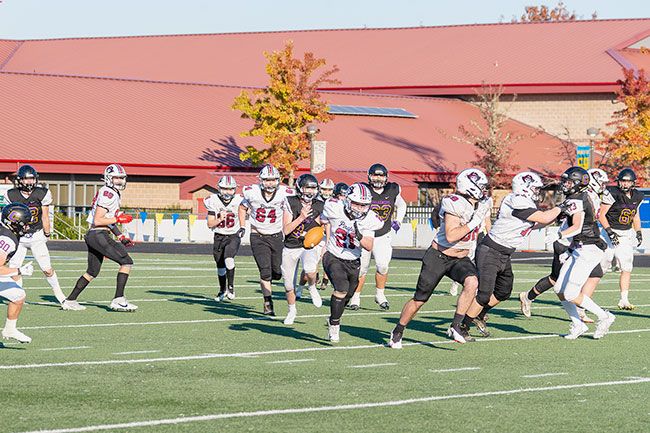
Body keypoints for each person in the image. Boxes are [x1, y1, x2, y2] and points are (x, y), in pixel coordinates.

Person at [388, 168, 491, 347]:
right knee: (419, 300)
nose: (484, 190)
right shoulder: (454, 202)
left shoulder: (481, 204)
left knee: (472, 282)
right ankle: (398, 330)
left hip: (460, 258)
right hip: (438, 256)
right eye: (480, 186)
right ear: (470, 186)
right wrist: (474, 222)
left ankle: (455, 326)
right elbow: (451, 236)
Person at [461, 172, 565, 337]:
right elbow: (544, 218)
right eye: (535, 188)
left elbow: (536, 224)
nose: (538, 192)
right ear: (525, 188)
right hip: (491, 250)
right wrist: (563, 206)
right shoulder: (516, 200)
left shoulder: (524, 202)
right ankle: (462, 327)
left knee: (503, 291)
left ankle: (479, 314)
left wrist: (557, 215)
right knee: (484, 293)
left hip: (503, 253)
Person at [519, 168, 610, 322]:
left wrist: (596, 237)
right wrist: (530, 228)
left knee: (594, 275)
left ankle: (580, 309)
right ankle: (529, 296)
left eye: (568, 182)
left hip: (582, 244)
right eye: (600, 183)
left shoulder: (588, 197)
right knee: (557, 280)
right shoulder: (577, 198)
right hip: (567, 243)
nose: (603, 186)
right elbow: (566, 222)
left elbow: (589, 222)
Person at [550, 167, 614, 340]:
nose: (565, 184)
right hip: (579, 247)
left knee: (571, 293)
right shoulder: (578, 196)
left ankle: (605, 316)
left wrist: (560, 235)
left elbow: (577, 226)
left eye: (569, 181)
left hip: (589, 249)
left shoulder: (578, 199)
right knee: (559, 289)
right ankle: (578, 324)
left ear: (578, 183)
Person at [62, 164, 137, 312]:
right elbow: (98, 220)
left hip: (95, 234)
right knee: (126, 262)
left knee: (92, 272)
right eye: (116, 178)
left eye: (121, 178)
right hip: (98, 233)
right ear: (108, 178)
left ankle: (70, 300)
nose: (120, 181)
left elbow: (107, 219)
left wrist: (120, 236)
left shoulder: (109, 192)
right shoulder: (108, 193)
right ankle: (119, 299)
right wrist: (118, 219)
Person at [320, 183, 383, 342]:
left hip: (353, 260)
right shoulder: (334, 207)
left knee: (348, 294)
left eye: (363, 205)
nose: (360, 208)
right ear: (348, 200)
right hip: (333, 255)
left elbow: (369, 246)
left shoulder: (369, 219)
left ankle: (333, 317)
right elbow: (322, 218)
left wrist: (359, 234)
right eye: (356, 204)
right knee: (340, 289)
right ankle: (334, 325)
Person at [3, 165, 66, 305]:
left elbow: (45, 216)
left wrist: (47, 233)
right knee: (15, 268)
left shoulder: (42, 193)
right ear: (20, 180)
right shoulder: (11, 194)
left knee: (47, 269)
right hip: (18, 237)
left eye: (31, 178)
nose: (29, 182)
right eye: (26, 179)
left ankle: (60, 296)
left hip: (36, 234)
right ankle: (18, 296)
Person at [348, 163, 406, 311]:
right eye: (375, 175)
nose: (378, 178)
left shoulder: (393, 189)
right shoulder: (362, 188)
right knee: (362, 268)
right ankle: (355, 297)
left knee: (383, 265)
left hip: (383, 234)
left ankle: (380, 295)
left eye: (380, 175)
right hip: (365, 233)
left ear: (386, 177)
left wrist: (398, 220)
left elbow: (402, 204)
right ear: (369, 176)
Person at [239, 164, 293, 316]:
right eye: (267, 180)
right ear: (261, 180)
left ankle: (272, 281)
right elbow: (242, 208)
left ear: (278, 180)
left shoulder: (285, 193)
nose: (270, 183)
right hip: (258, 236)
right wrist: (243, 226)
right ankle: (268, 302)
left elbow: (293, 209)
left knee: (277, 272)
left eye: (273, 180)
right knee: (265, 271)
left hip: (277, 236)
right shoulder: (252, 192)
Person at [281, 174, 324, 325]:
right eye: (308, 187)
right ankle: (292, 311)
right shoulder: (290, 202)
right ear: (300, 188)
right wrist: (300, 218)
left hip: (308, 245)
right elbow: (286, 231)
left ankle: (312, 287)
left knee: (310, 269)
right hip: (291, 246)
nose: (311, 191)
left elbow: (324, 224)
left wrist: (324, 240)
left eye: (313, 188)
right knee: (288, 285)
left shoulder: (319, 205)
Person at [599, 168, 644, 310]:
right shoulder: (613, 193)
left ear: (633, 183)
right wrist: (609, 232)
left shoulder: (638, 196)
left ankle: (624, 299)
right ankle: (583, 299)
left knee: (626, 267)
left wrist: (638, 231)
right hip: (608, 233)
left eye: (627, 181)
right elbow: (601, 215)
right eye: (622, 181)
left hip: (625, 234)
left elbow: (635, 216)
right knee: (600, 267)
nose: (624, 184)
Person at [205, 175, 243, 302]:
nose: (227, 192)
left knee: (229, 258)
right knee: (220, 266)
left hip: (233, 235)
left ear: (234, 190)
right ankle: (222, 290)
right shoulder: (213, 200)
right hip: (219, 236)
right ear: (219, 189)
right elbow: (210, 224)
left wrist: (243, 226)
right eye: (224, 189)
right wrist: (220, 218)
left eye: (230, 189)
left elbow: (248, 212)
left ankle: (231, 287)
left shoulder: (240, 200)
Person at [0, 203, 35, 343]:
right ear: (14, 222)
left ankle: (10, 329)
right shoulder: (7, 239)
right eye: (24, 223)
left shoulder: (5, 230)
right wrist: (20, 270)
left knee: (18, 295)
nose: (27, 226)